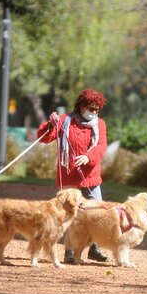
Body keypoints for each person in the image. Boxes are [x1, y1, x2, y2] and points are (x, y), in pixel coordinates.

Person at [37, 88, 109, 263]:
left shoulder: (100, 125)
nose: (94, 113)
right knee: (70, 217)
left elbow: (101, 147)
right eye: (91, 109)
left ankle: (94, 248)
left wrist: (88, 157)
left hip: (91, 178)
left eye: (97, 110)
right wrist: (51, 125)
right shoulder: (64, 121)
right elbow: (43, 138)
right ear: (81, 106)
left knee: (96, 215)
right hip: (69, 180)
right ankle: (69, 251)